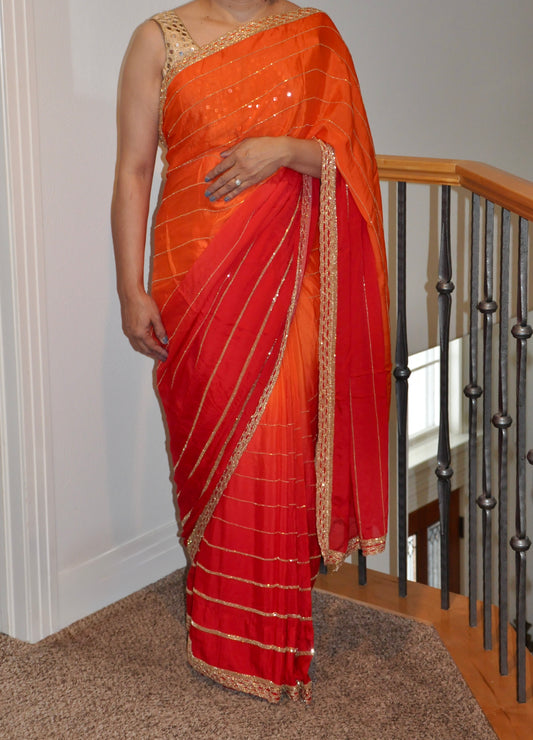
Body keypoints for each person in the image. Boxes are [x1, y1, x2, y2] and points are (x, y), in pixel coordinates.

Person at [112, 0, 391, 703]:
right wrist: (130, 289)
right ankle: (222, 629)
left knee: (271, 441)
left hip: (287, 273)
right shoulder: (157, 40)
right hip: (191, 276)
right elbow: (134, 170)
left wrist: (287, 150)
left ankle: (266, 636)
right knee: (208, 439)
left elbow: (350, 155)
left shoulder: (313, 34)